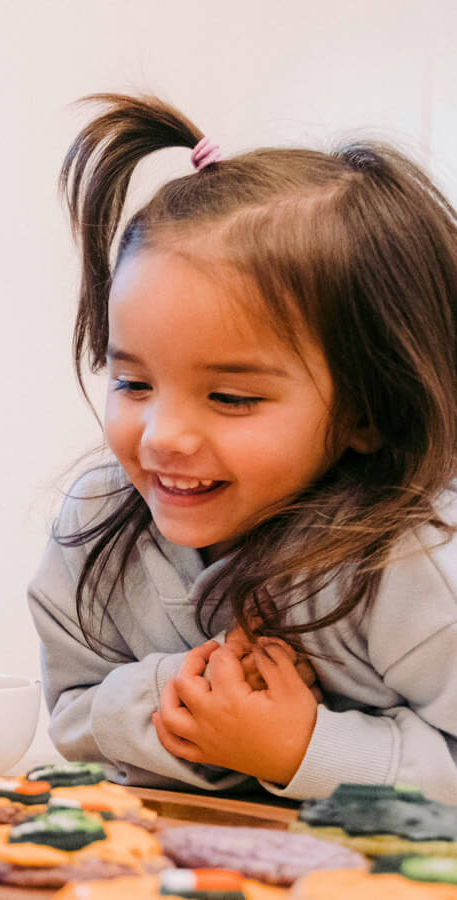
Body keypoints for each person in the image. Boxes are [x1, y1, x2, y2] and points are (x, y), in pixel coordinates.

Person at [31, 94, 457, 801]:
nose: (163, 435)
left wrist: (304, 749)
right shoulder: (97, 521)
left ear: (370, 410)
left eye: (231, 398)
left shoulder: (415, 564)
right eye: (133, 381)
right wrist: (180, 698)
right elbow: (74, 717)